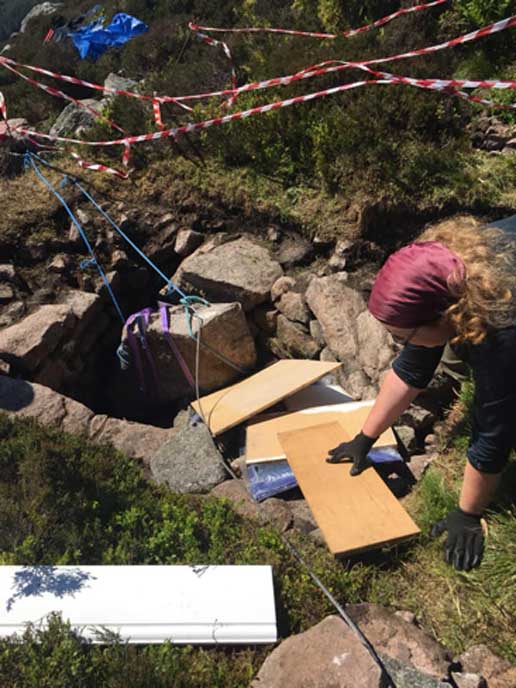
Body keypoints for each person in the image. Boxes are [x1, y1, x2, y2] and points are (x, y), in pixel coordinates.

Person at [326, 216, 516, 571]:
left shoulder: (501, 332)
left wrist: (467, 513)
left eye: (402, 337)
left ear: (443, 316)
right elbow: (412, 370)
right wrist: (365, 438)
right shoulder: (444, 276)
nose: (399, 345)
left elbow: (495, 430)